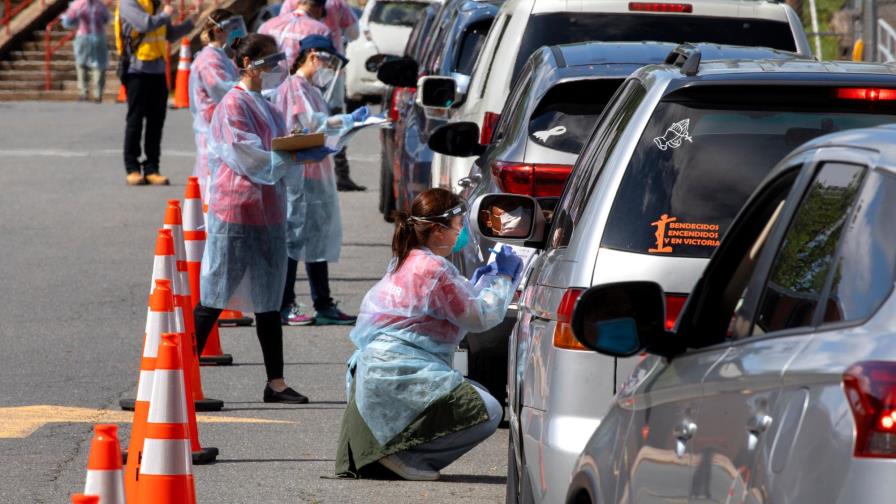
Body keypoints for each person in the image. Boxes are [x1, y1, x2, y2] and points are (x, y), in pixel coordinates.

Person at [335, 188, 524, 480]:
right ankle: (406, 457)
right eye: (459, 226)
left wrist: (473, 286)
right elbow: (480, 317)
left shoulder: (410, 259)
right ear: (437, 231)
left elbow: (447, 308)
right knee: (487, 410)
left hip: (381, 371)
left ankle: (394, 453)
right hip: (397, 372)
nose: (462, 234)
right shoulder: (433, 269)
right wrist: (503, 279)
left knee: (479, 395)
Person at [192, 33, 329, 403]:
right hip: (236, 210)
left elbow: (276, 149)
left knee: (270, 299)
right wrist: (287, 154)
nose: (274, 70)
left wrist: (300, 145)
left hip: (267, 211)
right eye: (268, 63)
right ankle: (179, 375)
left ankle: (276, 383)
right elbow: (248, 156)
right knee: (215, 295)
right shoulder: (232, 105)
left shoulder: (266, 106)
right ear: (247, 65)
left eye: (276, 62)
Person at [271, 34, 367, 326]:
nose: (328, 67)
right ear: (312, 55)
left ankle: (323, 303)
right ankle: (284, 303)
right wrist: (347, 121)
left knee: (315, 240)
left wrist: (347, 123)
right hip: (301, 172)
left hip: (315, 170)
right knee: (294, 238)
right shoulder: (294, 87)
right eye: (327, 60)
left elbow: (318, 124)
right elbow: (309, 124)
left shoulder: (308, 88)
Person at [116, 0, 195, 185]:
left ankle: (152, 168)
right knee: (135, 120)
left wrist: (191, 22)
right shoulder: (129, 3)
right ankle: (132, 168)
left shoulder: (158, 5)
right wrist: (165, 15)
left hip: (158, 70)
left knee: (156, 122)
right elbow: (144, 24)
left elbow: (170, 34)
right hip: (136, 71)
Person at [188, 9, 243, 198]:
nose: (235, 33)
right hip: (211, 130)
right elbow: (224, 89)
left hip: (219, 130)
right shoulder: (209, 59)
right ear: (219, 30)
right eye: (231, 28)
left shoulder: (221, 56)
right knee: (211, 187)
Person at [61, 0, 110, 103]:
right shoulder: (99, 5)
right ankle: (98, 94)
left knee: (81, 64)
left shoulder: (77, 4)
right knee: (99, 65)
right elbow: (106, 19)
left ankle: (83, 92)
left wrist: (74, 22)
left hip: (83, 35)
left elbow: (67, 21)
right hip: (98, 35)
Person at [258, 0, 330, 68]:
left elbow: (256, 58)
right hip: (297, 79)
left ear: (298, 3)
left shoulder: (267, 25)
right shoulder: (321, 30)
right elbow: (324, 67)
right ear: (319, 10)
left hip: (266, 77)